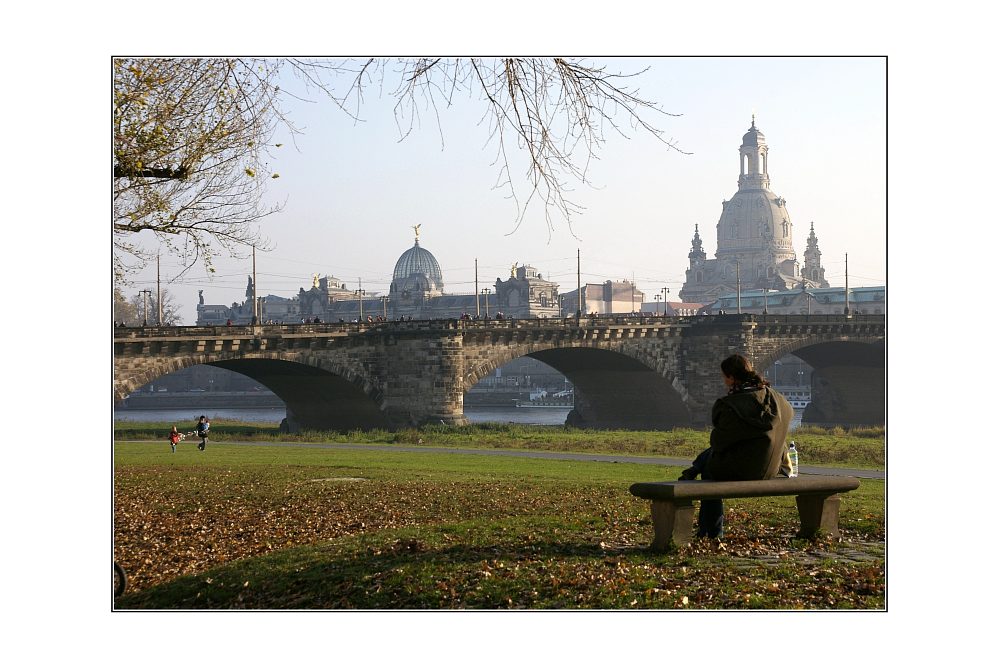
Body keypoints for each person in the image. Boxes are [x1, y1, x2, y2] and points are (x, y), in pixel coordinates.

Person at [677, 354, 793, 539]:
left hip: (742, 470)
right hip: (771, 468)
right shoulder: (778, 401)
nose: (724, 381)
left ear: (731, 377)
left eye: (724, 377)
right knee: (714, 457)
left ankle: (711, 532)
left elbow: (718, 442)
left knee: (709, 469)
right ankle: (694, 472)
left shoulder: (730, 405)